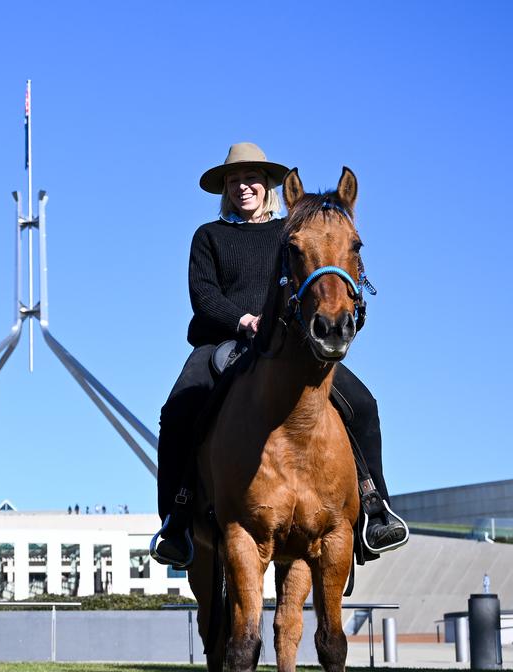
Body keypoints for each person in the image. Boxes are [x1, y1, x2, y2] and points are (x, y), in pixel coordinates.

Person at [150, 142, 408, 568]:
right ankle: (176, 520)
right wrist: (243, 320)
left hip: (290, 345)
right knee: (178, 408)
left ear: (267, 184)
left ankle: (374, 508)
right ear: (225, 188)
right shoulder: (208, 236)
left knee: (363, 404)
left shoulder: (292, 233)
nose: (243, 187)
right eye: (234, 180)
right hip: (222, 342)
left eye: (251, 178)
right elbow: (204, 296)